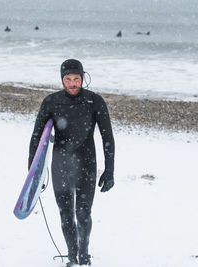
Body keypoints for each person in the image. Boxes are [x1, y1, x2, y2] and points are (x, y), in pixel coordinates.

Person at [28, 59, 115, 266]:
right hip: (61, 164)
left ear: (83, 78)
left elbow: (107, 138)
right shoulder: (51, 102)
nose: (73, 83)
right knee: (66, 214)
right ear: (62, 79)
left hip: (87, 163)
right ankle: (72, 256)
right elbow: (36, 138)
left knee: (84, 213)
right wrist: (34, 173)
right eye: (68, 79)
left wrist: (110, 170)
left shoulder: (95, 102)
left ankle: (84, 255)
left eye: (76, 79)